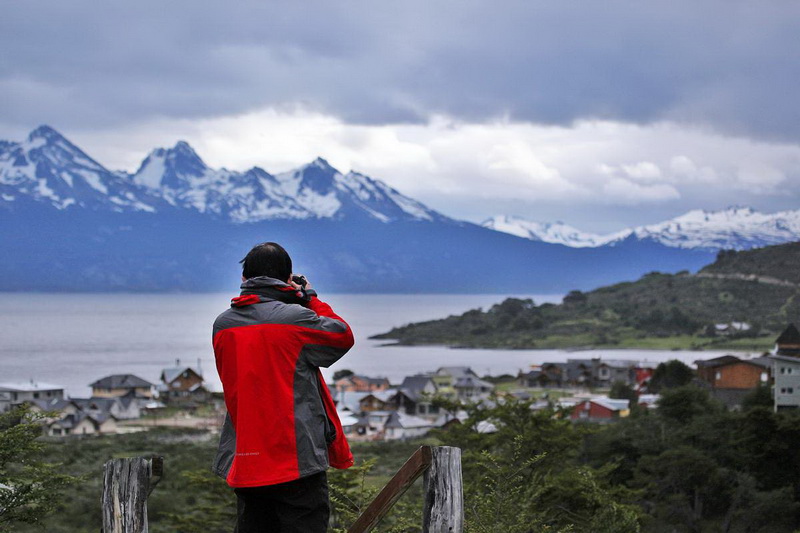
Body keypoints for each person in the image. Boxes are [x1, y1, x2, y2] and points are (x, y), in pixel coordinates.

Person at [212, 242, 355, 532]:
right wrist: (309, 298)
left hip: (246, 458)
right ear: (288, 279)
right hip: (295, 458)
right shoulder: (295, 319)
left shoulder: (223, 325)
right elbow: (341, 335)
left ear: (244, 279)